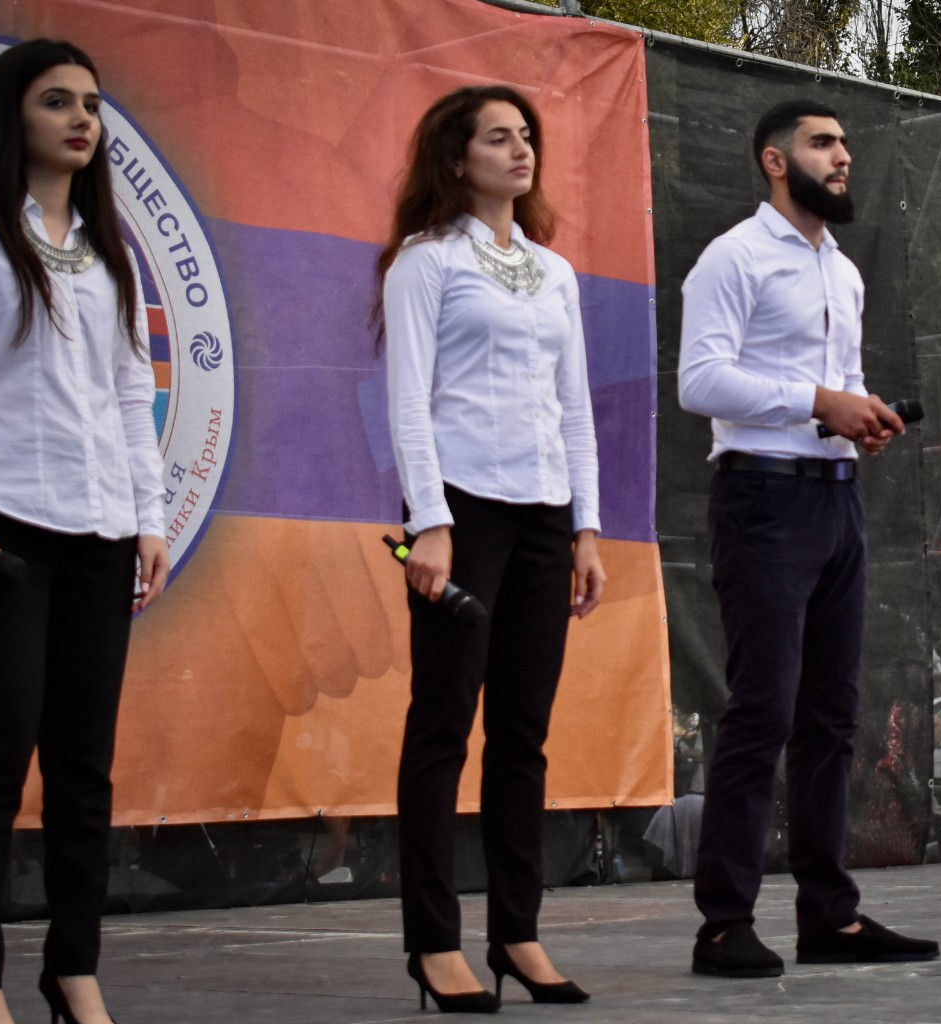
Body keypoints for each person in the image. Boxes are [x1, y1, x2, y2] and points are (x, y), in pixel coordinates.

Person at [0, 39, 168, 1024]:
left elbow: (131, 393)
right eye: (57, 101)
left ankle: (73, 970)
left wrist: (149, 519)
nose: (81, 120)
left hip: (103, 530)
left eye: (91, 105)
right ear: (11, 115)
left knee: (83, 767)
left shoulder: (111, 249)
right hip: (4, 530)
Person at [677, 99, 936, 976]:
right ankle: (723, 924)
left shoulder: (843, 272)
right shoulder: (734, 256)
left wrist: (859, 419)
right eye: (823, 143)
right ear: (775, 160)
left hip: (835, 498)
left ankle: (831, 916)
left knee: (832, 716)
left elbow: (841, 384)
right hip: (761, 498)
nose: (843, 156)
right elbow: (700, 380)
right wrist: (817, 402)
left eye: (845, 143)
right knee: (764, 708)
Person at [380, 84, 606, 1011]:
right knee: (442, 726)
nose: (521, 150)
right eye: (498, 137)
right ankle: (434, 944)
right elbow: (407, 399)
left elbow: (575, 407)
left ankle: (518, 933)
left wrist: (587, 526)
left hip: (547, 515)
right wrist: (429, 521)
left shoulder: (555, 272)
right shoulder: (425, 260)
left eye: (527, 136)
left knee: (523, 733)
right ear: (455, 157)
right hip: (462, 513)